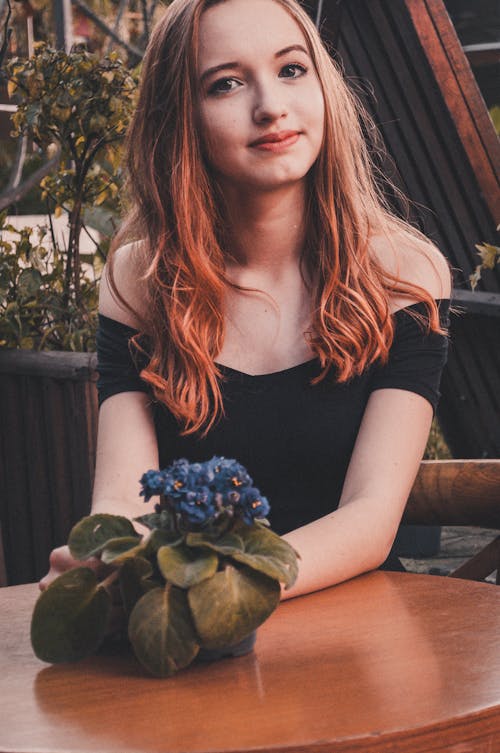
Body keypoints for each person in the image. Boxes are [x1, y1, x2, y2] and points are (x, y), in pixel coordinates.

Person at [41, 0, 451, 600]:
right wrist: (109, 559)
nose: (271, 106)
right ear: (179, 117)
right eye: (226, 83)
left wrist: (220, 585)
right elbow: (123, 498)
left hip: (353, 637)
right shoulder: (140, 281)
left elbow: (370, 520)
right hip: (193, 633)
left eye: (291, 69)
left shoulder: (401, 275)